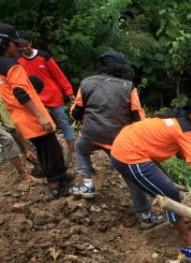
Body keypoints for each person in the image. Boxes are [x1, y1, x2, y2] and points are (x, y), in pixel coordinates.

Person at [111, 95, 191, 247]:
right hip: (129, 155)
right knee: (169, 193)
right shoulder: (185, 130)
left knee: (166, 184)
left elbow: (182, 153)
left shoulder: (179, 121)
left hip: (129, 145)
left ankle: (177, 216)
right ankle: (188, 237)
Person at [70, 50, 163, 229]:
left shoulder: (87, 82)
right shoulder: (128, 86)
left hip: (91, 133)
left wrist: (84, 121)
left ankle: (88, 185)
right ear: (120, 67)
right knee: (130, 176)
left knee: (81, 148)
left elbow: (76, 112)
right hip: (118, 140)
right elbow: (137, 115)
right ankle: (145, 215)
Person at [0, 23, 70, 198]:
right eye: (16, 44)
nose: (20, 48)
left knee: (49, 149)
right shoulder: (11, 65)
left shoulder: (1, 65)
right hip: (33, 117)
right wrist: (41, 116)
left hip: (21, 117)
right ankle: (56, 185)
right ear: (4, 44)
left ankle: (61, 177)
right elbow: (20, 92)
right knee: (50, 151)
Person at [17, 31, 76, 164]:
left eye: (26, 45)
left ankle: (71, 152)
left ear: (31, 43)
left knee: (63, 123)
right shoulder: (18, 61)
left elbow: (58, 74)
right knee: (45, 128)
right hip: (36, 99)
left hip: (53, 96)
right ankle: (56, 152)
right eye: (21, 46)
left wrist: (69, 92)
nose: (24, 48)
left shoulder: (44, 56)